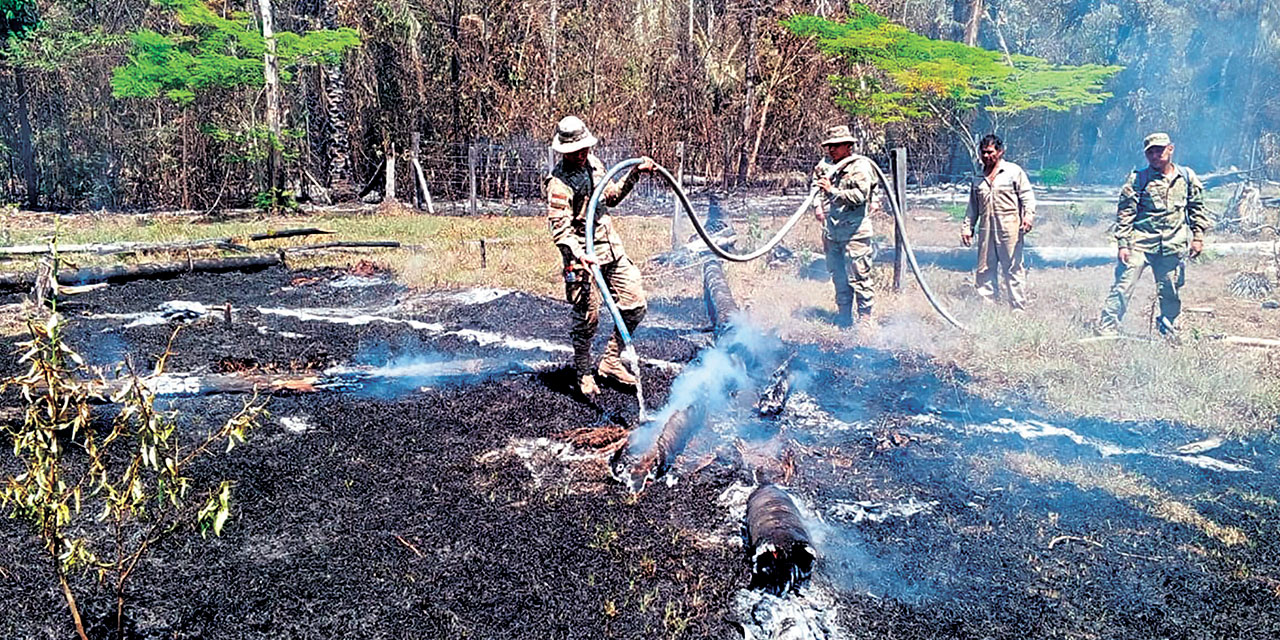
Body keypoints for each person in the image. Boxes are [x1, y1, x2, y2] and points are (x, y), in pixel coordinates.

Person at [544, 116, 653, 396]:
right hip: (582, 258)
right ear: (563, 151)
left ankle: (611, 361)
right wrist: (579, 255)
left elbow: (612, 197)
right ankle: (583, 373)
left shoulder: (595, 164)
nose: (582, 155)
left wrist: (634, 174)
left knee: (635, 304)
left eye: (584, 149)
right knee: (588, 318)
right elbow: (561, 232)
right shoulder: (558, 183)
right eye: (575, 151)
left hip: (611, 249)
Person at [1095, 132, 1209, 338]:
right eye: (1151, 153)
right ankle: (1107, 327)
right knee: (1123, 285)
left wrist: (1198, 237)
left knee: (1170, 291)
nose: (1156, 156)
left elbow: (1196, 208)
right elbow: (1126, 212)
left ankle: (1168, 328)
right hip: (1140, 243)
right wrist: (1122, 243)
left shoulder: (1186, 177)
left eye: (1160, 151)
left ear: (1170, 149)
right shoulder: (1138, 179)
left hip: (1173, 244)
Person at [812, 125, 877, 327]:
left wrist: (832, 192)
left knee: (859, 276)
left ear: (848, 146)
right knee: (839, 276)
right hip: (833, 232)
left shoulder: (860, 167)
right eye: (829, 146)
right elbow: (815, 186)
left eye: (836, 146)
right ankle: (844, 316)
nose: (831, 150)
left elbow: (859, 196)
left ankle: (865, 319)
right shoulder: (825, 166)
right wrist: (817, 205)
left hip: (854, 233)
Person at [961, 134, 1037, 309]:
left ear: (1000, 151)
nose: (986, 156)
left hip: (1009, 229)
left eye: (990, 152)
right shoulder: (978, 178)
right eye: (983, 153)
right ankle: (988, 308)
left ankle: (1018, 308)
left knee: (1013, 268)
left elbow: (1027, 197)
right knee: (984, 269)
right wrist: (967, 227)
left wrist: (1028, 216)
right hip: (986, 230)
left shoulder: (1013, 172)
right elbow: (972, 207)